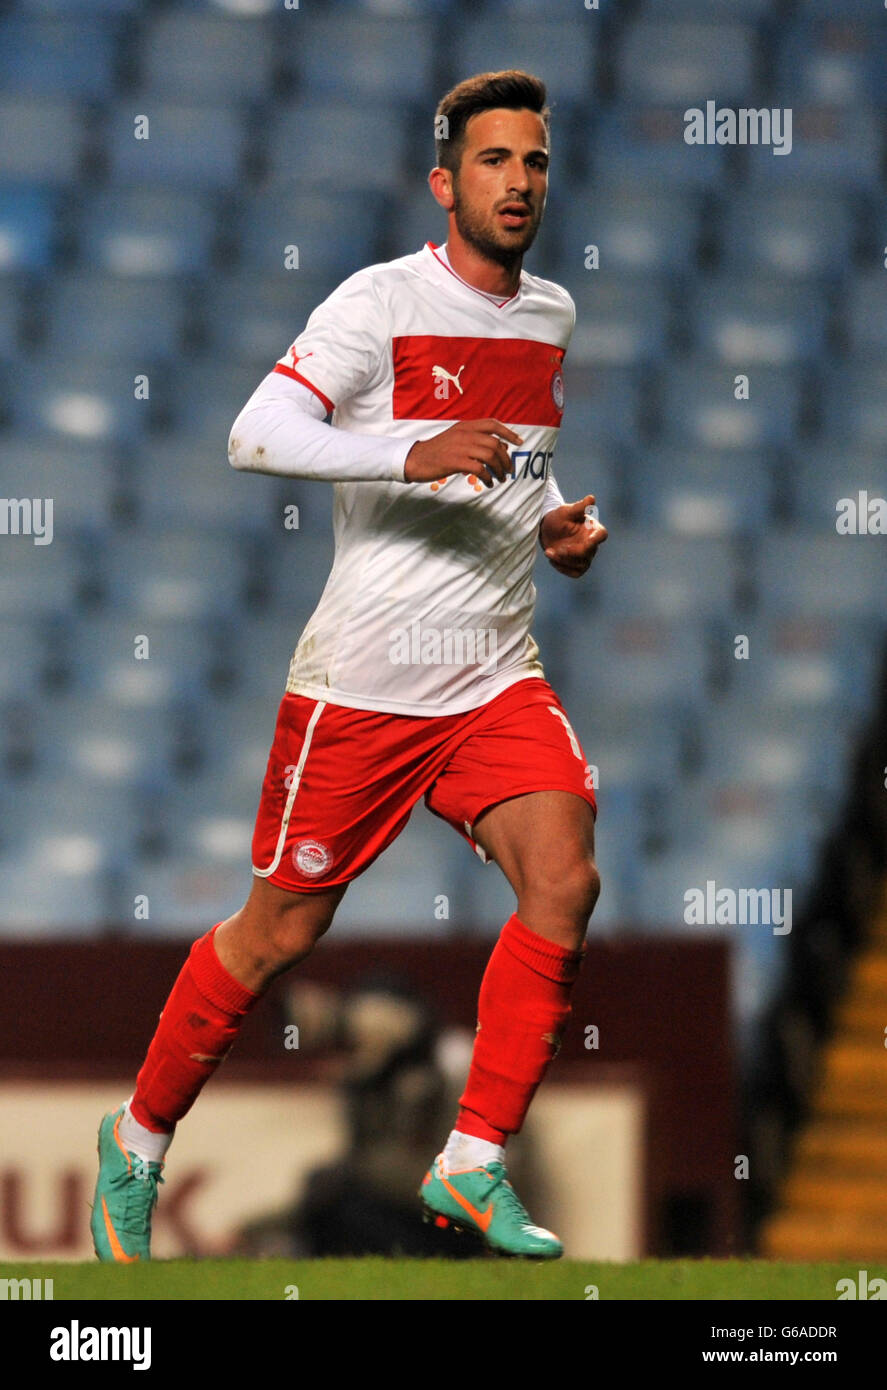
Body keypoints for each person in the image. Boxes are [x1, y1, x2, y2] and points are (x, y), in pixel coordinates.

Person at [91, 68, 608, 1264]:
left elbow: (508, 470)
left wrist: (551, 530)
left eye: (532, 160)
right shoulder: (375, 302)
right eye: (492, 160)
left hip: (490, 673)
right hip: (365, 684)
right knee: (277, 934)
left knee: (564, 876)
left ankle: (472, 1163)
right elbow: (254, 433)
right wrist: (406, 448)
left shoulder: (550, 316)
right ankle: (140, 1136)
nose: (517, 180)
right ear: (444, 183)